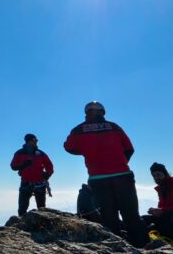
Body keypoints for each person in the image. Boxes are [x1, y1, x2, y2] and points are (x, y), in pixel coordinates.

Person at [63, 101, 147, 248]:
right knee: (131, 215)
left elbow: (68, 147)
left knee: (109, 218)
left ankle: (117, 249)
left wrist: (85, 151)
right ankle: (141, 247)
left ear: (86, 113)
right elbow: (129, 148)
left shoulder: (79, 130)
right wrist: (119, 164)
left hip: (98, 179)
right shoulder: (114, 127)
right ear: (103, 112)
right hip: (122, 176)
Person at [10, 133, 54, 216]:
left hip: (38, 183)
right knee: (22, 208)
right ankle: (24, 226)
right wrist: (24, 165)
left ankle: (40, 226)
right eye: (35, 140)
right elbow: (13, 166)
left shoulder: (40, 153)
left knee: (41, 208)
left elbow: (50, 166)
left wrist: (47, 175)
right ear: (29, 141)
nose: (37, 141)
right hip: (27, 183)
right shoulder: (20, 153)